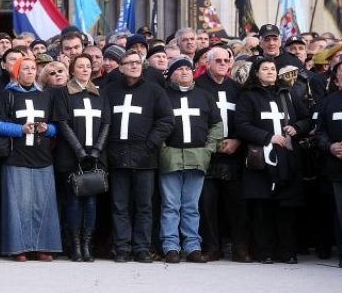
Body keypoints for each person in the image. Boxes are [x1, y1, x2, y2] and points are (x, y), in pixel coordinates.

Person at [235, 56, 311, 264]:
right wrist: (267, 137)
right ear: (256, 73)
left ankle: (286, 251)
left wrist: (296, 129)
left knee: (286, 207)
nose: (269, 71)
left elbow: (307, 119)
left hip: (287, 158)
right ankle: (265, 251)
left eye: (272, 69)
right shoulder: (248, 96)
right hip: (261, 159)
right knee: (262, 208)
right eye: (265, 69)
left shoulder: (288, 94)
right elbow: (241, 125)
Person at [0, 56, 62, 261]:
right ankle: (19, 248)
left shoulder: (46, 96)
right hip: (16, 155)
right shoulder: (8, 95)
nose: (30, 71)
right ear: (17, 72)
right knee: (18, 204)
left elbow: (58, 126)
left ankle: (42, 246)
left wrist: (47, 129)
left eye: (32, 68)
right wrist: (19, 129)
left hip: (42, 155)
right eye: (25, 68)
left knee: (42, 204)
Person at [105, 49, 173, 263]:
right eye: (129, 62)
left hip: (145, 156)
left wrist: (150, 145)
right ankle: (122, 248)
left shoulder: (154, 91)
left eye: (137, 62)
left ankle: (142, 248)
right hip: (117, 155)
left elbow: (166, 121)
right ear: (121, 67)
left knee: (144, 206)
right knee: (119, 205)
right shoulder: (109, 91)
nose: (134, 66)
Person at [159, 56, 222, 263]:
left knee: (191, 205)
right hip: (171, 157)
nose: (184, 71)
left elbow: (216, 124)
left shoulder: (204, 96)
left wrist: (209, 148)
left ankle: (192, 246)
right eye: (179, 69)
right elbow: (155, 124)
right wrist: (162, 148)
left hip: (197, 157)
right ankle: (170, 247)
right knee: (170, 205)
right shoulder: (163, 96)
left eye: (187, 68)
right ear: (171, 74)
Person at [196, 47, 251, 262]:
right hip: (207, 152)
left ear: (230, 63)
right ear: (207, 63)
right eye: (216, 60)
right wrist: (211, 143)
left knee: (237, 203)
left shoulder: (238, 89)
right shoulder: (198, 87)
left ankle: (240, 247)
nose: (221, 64)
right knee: (207, 203)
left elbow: (245, 118)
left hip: (233, 151)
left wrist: (237, 140)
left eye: (225, 60)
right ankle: (211, 246)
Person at [55, 54, 110, 262]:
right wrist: (80, 152)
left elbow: (106, 123)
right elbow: (63, 123)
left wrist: (95, 152)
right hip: (71, 157)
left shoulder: (100, 94)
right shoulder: (64, 94)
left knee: (91, 202)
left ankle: (88, 245)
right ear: (73, 70)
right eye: (81, 66)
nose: (86, 69)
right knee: (74, 201)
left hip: (94, 157)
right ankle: (75, 245)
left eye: (88, 66)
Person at [316, 52, 342, 268]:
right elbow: (320, 133)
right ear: (336, 77)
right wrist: (331, 146)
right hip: (339, 167)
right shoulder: (329, 102)